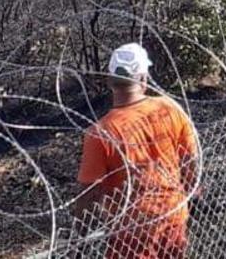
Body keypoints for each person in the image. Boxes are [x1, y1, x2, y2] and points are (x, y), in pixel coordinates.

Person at [75, 43, 199, 259]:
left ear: (110, 81)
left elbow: (89, 194)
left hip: (131, 231)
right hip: (172, 214)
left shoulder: (100, 133)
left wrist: (79, 239)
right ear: (143, 78)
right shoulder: (169, 108)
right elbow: (190, 162)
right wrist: (190, 196)